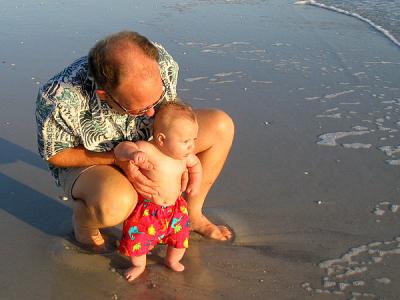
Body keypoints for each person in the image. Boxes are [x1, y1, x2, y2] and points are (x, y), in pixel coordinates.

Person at [35, 31, 234, 253]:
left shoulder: (163, 62)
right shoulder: (59, 97)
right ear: (103, 94)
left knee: (220, 126)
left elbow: (170, 116)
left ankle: (192, 213)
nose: (151, 113)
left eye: (155, 100)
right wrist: (117, 159)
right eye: (137, 109)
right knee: (115, 203)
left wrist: (178, 156)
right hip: (94, 157)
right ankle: (84, 223)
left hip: (151, 143)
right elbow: (55, 154)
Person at [117, 101, 201, 281]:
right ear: (162, 139)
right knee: (138, 240)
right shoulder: (149, 149)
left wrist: (196, 181)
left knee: (180, 239)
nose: (191, 147)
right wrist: (132, 153)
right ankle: (138, 265)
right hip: (148, 209)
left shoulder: (185, 156)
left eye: (194, 140)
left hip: (175, 210)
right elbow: (121, 148)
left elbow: (196, 166)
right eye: (186, 141)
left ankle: (172, 260)